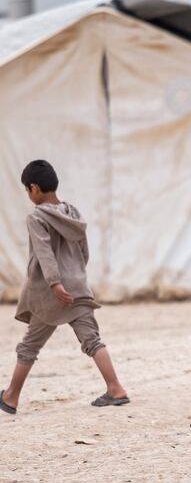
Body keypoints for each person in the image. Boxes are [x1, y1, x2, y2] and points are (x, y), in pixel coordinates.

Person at [1, 160, 129, 414]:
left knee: (30, 346)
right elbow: (84, 251)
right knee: (92, 340)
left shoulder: (36, 217)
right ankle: (115, 388)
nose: (28, 195)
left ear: (34, 188)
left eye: (27, 190)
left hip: (51, 293)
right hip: (78, 286)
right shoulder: (72, 213)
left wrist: (55, 283)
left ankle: (11, 397)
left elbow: (44, 252)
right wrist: (75, 275)